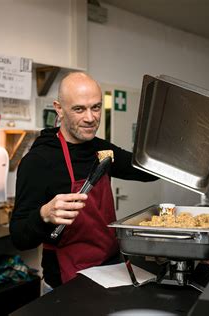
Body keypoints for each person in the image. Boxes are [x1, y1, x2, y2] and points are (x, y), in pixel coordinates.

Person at [9, 72, 157, 288]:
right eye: (79, 109)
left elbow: (146, 171)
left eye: (96, 107)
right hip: (66, 278)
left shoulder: (102, 150)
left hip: (110, 270)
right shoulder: (39, 161)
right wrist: (44, 215)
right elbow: (19, 238)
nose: (90, 118)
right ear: (59, 108)